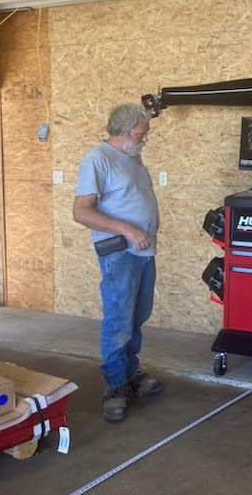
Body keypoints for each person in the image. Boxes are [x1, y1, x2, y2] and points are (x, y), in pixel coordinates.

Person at [73, 103, 162, 423]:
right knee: (118, 321)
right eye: (141, 134)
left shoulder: (132, 156)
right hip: (120, 254)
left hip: (142, 251)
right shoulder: (98, 159)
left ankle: (129, 374)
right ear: (123, 133)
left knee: (137, 316)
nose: (145, 139)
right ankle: (114, 386)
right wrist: (127, 229)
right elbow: (81, 211)